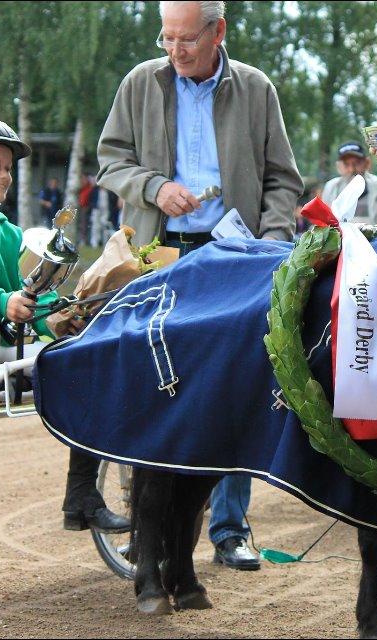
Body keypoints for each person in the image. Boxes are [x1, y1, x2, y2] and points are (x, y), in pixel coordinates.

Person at [97, 0, 303, 570]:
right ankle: (148, 526)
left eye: (187, 39)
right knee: (153, 388)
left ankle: (231, 530)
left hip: (235, 258)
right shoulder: (141, 83)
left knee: (234, 386)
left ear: (219, 32)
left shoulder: (256, 89)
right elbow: (110, 161)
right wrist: (156, 187)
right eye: (167, 38)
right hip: (159, 256)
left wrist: (271, 245)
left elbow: (283, 179)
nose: (176, 50)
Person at [0, 116, 129, 534]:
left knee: (79, 359)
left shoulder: (7, 232)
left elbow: (26, 296)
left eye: (8, 168)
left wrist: (64, 314)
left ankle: (81, 495)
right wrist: (2, 302)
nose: (5, 176)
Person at [321, 141, 377, 224]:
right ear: (338, 167)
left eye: (357, 163)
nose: (352, 169)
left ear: (367, 163)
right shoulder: (331, 187)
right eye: (346, 164)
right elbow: (323, 220)